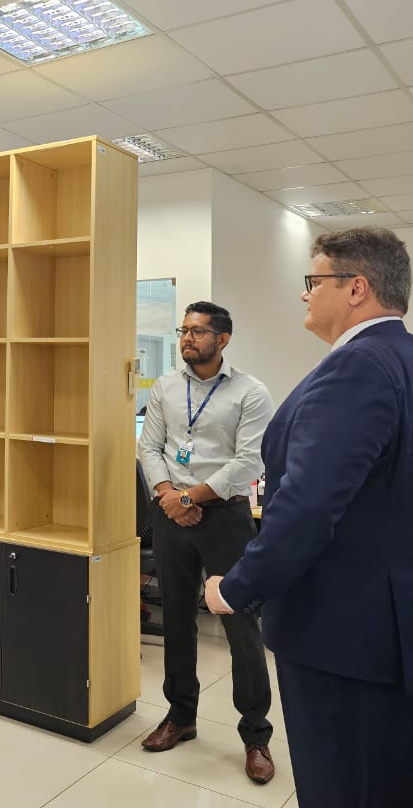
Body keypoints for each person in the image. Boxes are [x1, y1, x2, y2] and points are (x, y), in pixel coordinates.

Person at [205, 228, 413, 808]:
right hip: (397, 629)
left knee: (344, 788)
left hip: (348, 637)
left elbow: (306, 506)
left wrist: (237, 587)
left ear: (356, 288)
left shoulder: (358, 367)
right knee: (392, 786)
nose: (305, 295)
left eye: (313, 281)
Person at [136, 301, 277, 784]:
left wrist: (191, 495)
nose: (187, 339)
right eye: (183, 330)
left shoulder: (250, 392)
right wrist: (168, 497)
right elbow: (149, 447)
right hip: (172, 513)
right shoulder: (166, 388)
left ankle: (256, 734)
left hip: (225, 518)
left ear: (224, 338)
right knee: (176, 620)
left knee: (241, 626)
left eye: (198, 331)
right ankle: (181, 716)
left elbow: (249, 461)